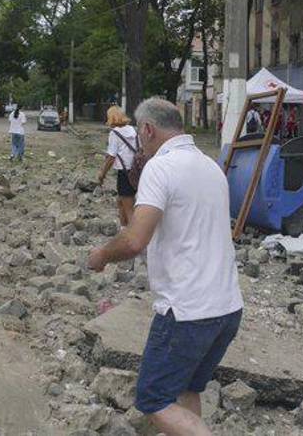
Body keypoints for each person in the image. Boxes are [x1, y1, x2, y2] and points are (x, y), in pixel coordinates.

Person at [87, 98, 243, 436]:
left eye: (141, 137)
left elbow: (134, 240)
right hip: (227, 306)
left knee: (154, 398)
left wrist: (101, 254)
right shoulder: (210, 166)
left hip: (187, 311)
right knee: (187, 389)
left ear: (147, 129)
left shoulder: (161, 167)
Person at [96, 106, 137, 227]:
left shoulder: (114, 134)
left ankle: (131, 238)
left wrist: (102, 173)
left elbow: (111, 157)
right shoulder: (133, 130)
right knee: (121, 201)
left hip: (124, 174)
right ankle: (124, 230)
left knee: (129, 208)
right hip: (137, 171)